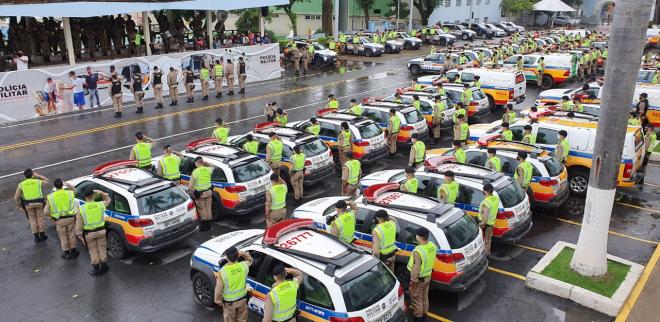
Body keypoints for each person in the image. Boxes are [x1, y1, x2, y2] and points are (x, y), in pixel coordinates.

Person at [75, 189, 111, 276]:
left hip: (89, 234)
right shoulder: (101, 204)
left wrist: (79, 234)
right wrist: (101, 192)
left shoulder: (82, 209)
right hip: (102, 231)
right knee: (102, 248)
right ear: (93, 196)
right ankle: (104, 266)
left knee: (93, 251)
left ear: (85, 197)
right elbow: (108, 199)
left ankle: (96, 270)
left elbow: (79, 223)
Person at [214, 246, 252, 322]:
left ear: (227, 258)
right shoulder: (244, 266)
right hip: (243, 301)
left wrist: (219, 302)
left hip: (230, 304)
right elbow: (250, 260)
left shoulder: (222, 272)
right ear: (238, 255)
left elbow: (218, 291)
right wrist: (243, 254)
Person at [44, 178, 79, 259]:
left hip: (59, 220)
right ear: (62, 185)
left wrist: (51, 217)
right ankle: (74, 251)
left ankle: (67, 253)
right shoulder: (69, 193)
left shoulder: (51, 197)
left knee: (63, 236)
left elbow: (45, 212)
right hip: (70, 218)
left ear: (55, 186)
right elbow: (75, 191)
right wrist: (68, 184)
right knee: (71, 235)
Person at [408, 227, 437, 322]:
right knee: (425, 298)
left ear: (418, 237)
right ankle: (424, 317)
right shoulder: (432, 245)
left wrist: (413, 281)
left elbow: (415, 269)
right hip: (427, 277)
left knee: (417, 301)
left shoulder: (418, 251)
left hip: (419, 279)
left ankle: (418, 319)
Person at [14, 169, 49, 243]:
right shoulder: (38, 181)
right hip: (39, 203)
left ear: (25, 176)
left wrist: (19, 206)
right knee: (40, 219)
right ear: (32, 174)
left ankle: (36, 238)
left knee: (32, 220)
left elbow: (16, 198)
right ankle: (42, 236)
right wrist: (38, 175)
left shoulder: (21, 184)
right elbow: (47, 180)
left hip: (28, 205)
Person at [189, 156, 213, 231]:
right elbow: (212, 166)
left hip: (200, 195)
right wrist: (204, 162)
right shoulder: (208, 169)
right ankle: (210, 225)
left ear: (196, 163)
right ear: (202, 162)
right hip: (209, 192)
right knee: (208, 208)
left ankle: (204, 227)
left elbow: (190, 186)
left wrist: (191, 193)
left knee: (202, 209)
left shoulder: (195, 172)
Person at [479, 183, 500, 256]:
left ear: (485, 191)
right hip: (491, 223)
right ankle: (487, 254)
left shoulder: (486, 202)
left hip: (486, 225)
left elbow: (485, 217)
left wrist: (481, 225)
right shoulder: (496, 198)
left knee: (484, 241)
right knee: (488, 241)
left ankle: (485, 255)